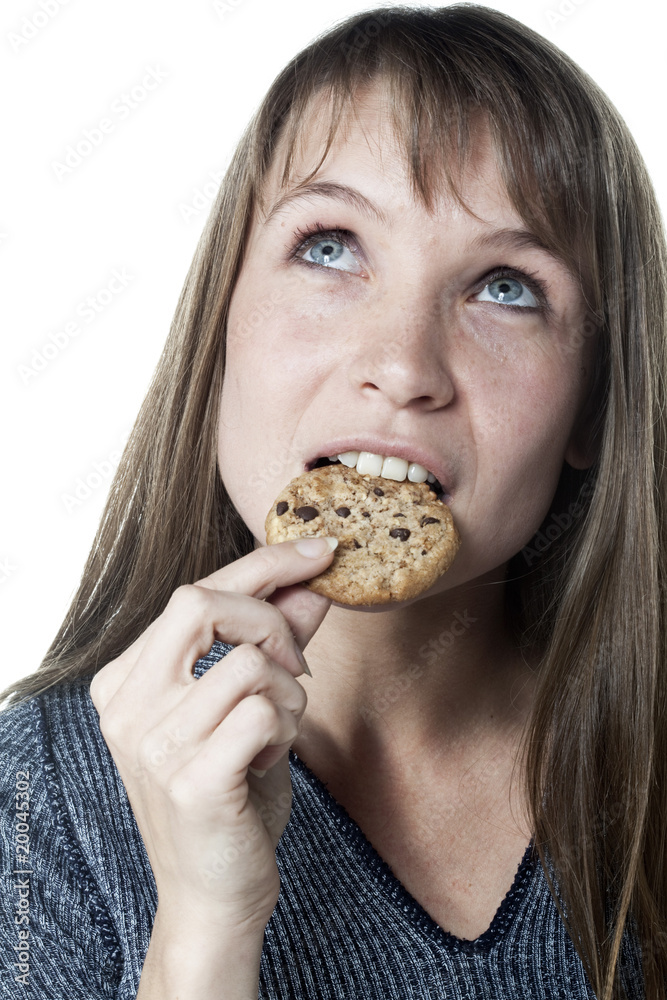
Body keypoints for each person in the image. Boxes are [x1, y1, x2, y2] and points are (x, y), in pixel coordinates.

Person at [1, 4, 664, 998]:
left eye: (504, 286)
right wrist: (204, 926)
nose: (402, 366)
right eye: (330, 247)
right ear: (222, 316)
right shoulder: (36, 801)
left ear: (592, 400)